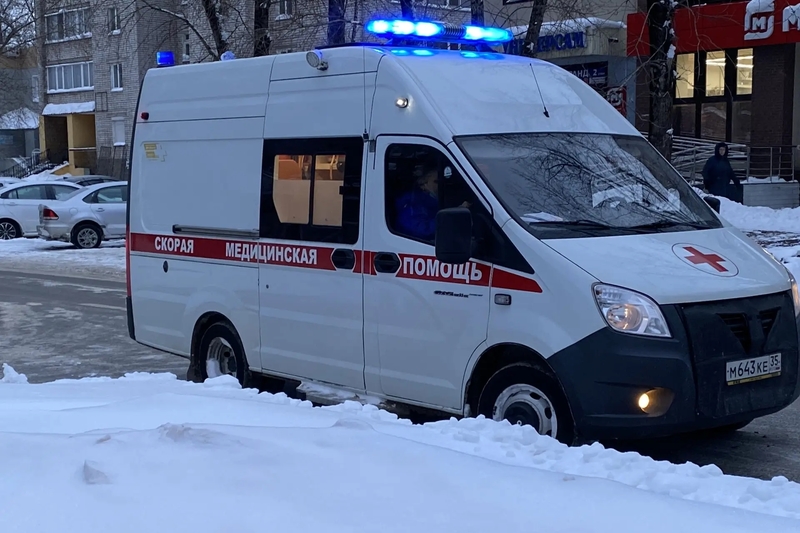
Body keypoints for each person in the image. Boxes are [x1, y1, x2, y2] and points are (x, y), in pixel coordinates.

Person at [395, 162, 440, 241]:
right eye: (436, 181)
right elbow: (422, 230)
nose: (440, 184)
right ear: (423, 184)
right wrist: (450, 218)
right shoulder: (411, 204)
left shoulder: (435, 201)